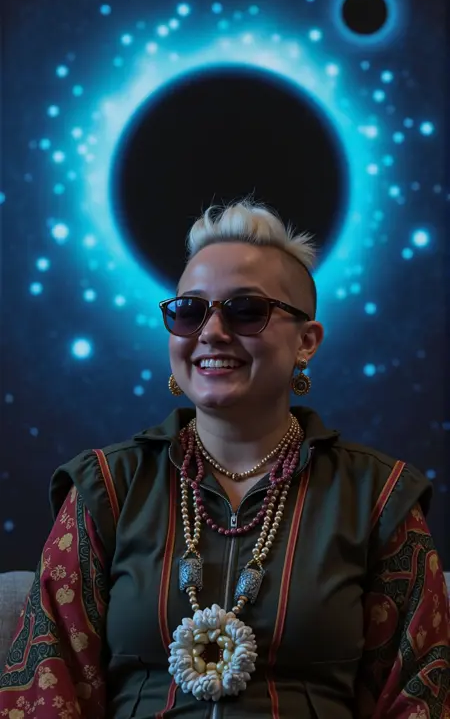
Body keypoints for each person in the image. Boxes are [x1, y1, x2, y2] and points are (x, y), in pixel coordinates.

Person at [1, 198, 449, 719]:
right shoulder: (107, 486)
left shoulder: (378, 496)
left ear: (307, 342)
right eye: (190, 312)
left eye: (246, 310)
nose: (211, 332)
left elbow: (418, 696)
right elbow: (49, 684)